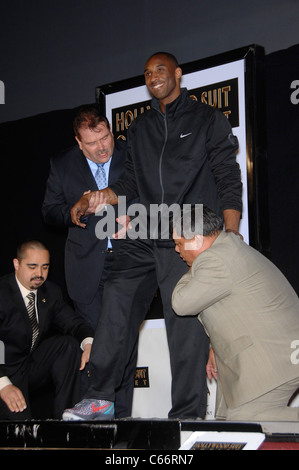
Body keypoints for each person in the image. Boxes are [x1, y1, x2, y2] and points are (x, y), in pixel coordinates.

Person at [63, 52, 242, 421]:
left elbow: (228, 176)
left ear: (177, 74)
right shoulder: (140, 128)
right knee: (116, 300)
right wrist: (96, 197)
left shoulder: (208, 119)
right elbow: (128, 184)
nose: (153, 76)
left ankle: (188, 414)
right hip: (146, 231)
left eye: (160, 70)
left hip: (185, 232)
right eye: (147, 73)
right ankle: (99, 398)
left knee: (184, 321)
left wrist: (231, 234)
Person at [42, 105, 136, 417]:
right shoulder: (63, 163)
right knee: (92, 343)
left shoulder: (131, 154)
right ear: (79, 142)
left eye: (105, 137)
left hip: (128, 262)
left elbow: (151, 195)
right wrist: (72, 212)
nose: (102, 147)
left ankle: (120, 418)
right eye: (92, 143)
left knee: (122, 342)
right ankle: (95, 420)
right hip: (85, 267)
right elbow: (50, 211)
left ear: (111, 131)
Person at [172, 206, 299, 422]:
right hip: (276, 354)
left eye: (179, 244)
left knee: (248, 422)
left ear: (197, 239)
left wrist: (189, 271)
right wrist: (214, 346)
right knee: (227, 423)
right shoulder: (229, 249)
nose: (177, 251)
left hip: (272, 358)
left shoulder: (214, 259)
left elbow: (181, 303)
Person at [0, 241, 94, 420]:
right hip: (3, 372)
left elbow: (75, 323)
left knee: (67, 345)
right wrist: (3, 385)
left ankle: (66, 417)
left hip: (28, 367)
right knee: (22, 435)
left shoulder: (50, 293)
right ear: (16, 264)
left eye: (45, 267)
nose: (39, 274)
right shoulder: (2, 292)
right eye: (32, 267)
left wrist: (88, 343)